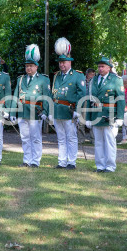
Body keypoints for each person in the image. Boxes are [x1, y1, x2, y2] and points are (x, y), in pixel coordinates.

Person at [11, 44, 51, 168]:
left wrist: (46, 111)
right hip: (23, 112)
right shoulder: (21, 79)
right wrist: (12, 112)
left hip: (36, 112)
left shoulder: (43, 80)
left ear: (36, 67)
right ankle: (26, 160)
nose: (28, 68)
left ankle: (35, 161)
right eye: (27, 66)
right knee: (24, 137)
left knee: (36, 138)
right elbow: (15, 96)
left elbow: (47, 97)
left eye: (31, 66)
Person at [51, 37, 86, 169]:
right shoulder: (57, 76)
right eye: (60, 62)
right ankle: (61, 162)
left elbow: (81, 94)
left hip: (70, 111)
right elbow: (52, 94)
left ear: (70, 62)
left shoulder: (78, 75)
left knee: (71, 138)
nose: (62, 65)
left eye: (64, 62)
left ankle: (71, 162)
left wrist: (78, 110)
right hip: (58, 111)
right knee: (60, 138)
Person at [85, 57, 125, 172]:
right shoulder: (93, 80)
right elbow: (89, 99)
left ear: (109, 68)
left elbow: (121, 100)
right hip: (96, 115)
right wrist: (88, 117)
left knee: (109, 142)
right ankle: (100, 165)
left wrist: (120, 117)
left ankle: (110, 166)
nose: (100, 69)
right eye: (99, 66)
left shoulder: (116, 80)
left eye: (102, 66)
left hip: (110, 115)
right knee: (98, 142)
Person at [77, 68, 96, 143]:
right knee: (81, 121)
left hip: (91, 102)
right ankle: (81, 139)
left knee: (92, 120)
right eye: (92, 74)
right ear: (87, 74)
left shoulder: (95, 82)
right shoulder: (82, 80)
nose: (93, 76)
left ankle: (93, 139)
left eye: (94, 74)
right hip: (83, 102)